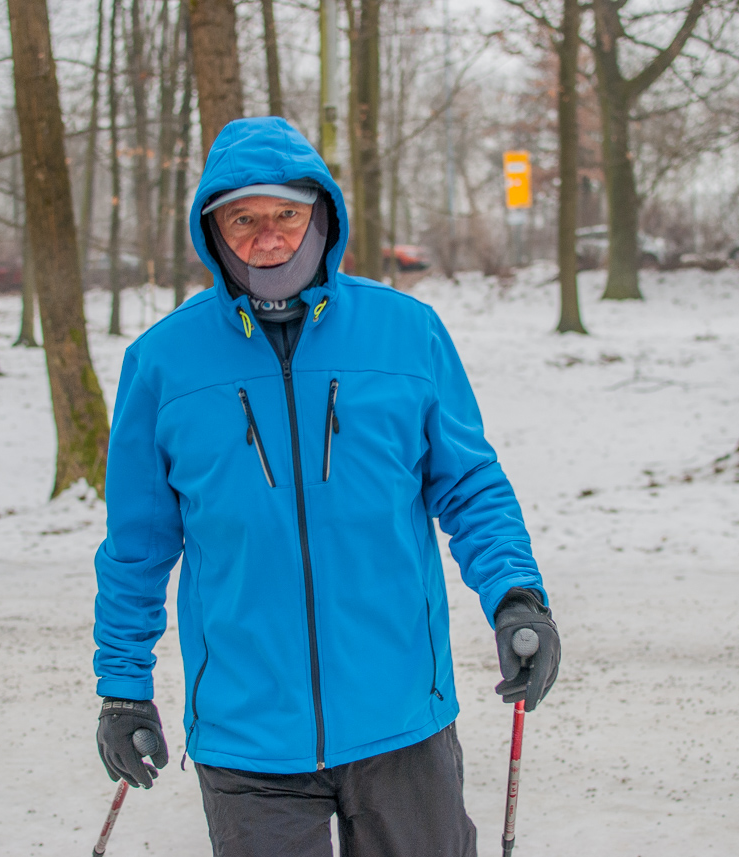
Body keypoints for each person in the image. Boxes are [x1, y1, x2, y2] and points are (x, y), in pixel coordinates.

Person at [93, 117, 560, 857]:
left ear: (323, 214)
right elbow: (136, 546)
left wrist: (516, 597)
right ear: (212, 230)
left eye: (286, 213)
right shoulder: (163, 364)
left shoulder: (407, 333)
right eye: (242, 219)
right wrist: (123, 686)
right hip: (247, 731)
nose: (266, 236)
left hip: (401, 710)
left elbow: (470, 486)